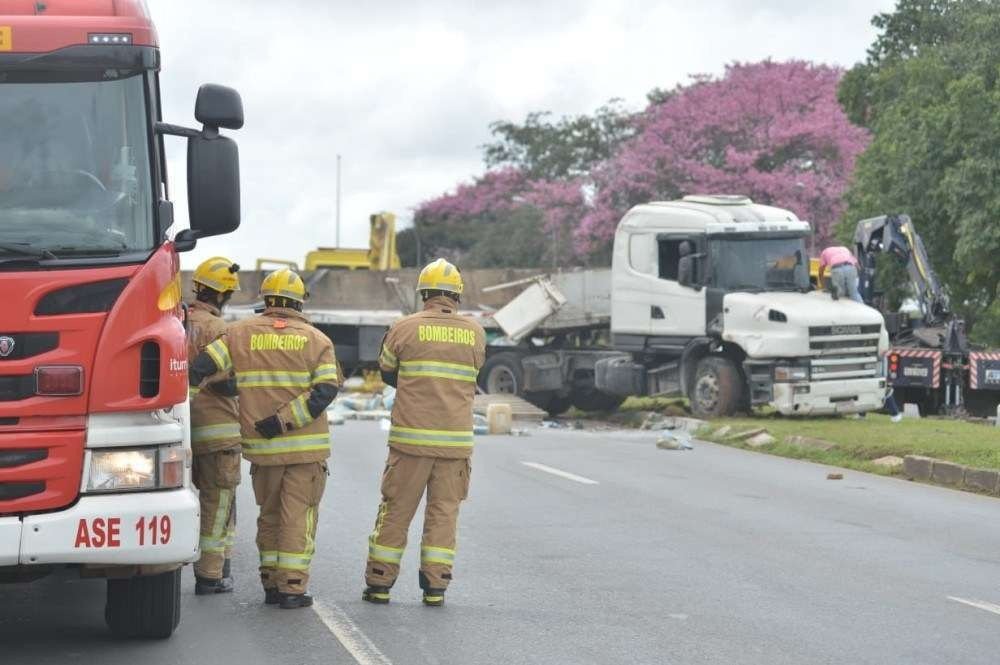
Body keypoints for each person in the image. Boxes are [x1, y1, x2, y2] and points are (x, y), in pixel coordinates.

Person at [188, 268, 339, 609]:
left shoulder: (238, 334)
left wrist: (186, 408)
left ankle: (271, 584)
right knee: (298, 517)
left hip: (262, 451)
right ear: (299, 301)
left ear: (266, 300)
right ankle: (292, 588)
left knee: (269, 516)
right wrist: (283, 421)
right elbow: (325, 390)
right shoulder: (317, 340)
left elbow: (200, 367)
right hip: (304, 451)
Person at [362, 258, 486, 607]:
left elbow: (387, 371)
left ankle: (379, 584)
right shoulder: (474, 332)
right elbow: (474, 370)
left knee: (396, 512)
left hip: (410, 443)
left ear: (424, 294)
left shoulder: (403, 327)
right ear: (456, 296)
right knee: (444, 515)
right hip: (455, 445)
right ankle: (436, 588)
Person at [187, 257, 243, 595]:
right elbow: (226, 383)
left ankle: (215, 567)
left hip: (182, 425)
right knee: (218, 502)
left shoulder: (178, 321)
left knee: (199, 499)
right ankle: (211, 574)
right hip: (217, 428)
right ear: (222, 295)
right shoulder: (219, 330)